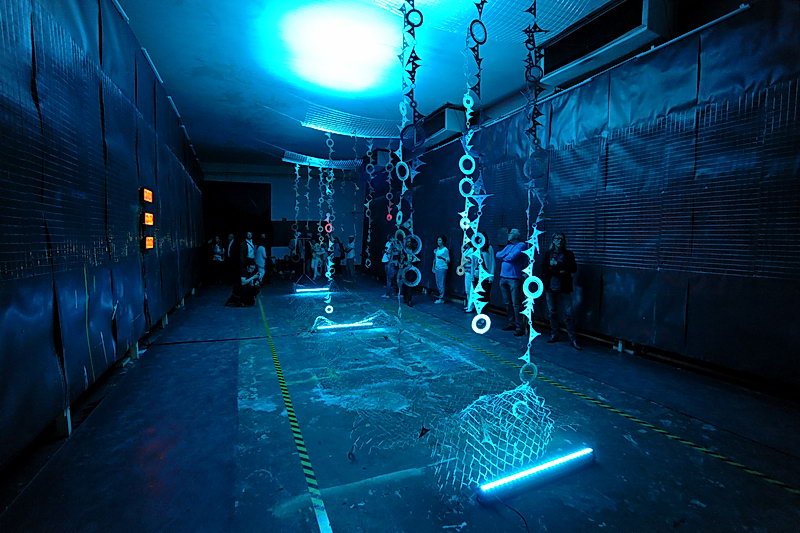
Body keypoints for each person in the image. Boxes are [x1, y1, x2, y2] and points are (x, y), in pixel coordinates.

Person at [542, 232, 581, 350]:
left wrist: (557, 265)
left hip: (564, 287)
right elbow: (544, 270)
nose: (559, 241)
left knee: (568, 313)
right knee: (552, 312)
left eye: (561, 239)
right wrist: (560, 271)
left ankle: (572, 338)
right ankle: (554, 334)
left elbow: (573, 268)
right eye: (557, 238)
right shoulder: (548, 254)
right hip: (550, 287)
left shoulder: (568, 254)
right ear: (553, 240)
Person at [495, 228, 527, 336]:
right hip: (503, 277)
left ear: (516, 235)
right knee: (507, 303)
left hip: (514, 278)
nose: (508, 234)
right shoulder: (508, 246)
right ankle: (511, 323)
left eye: (511, 233)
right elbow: (498, 255)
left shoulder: (521, 245)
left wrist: (506, 255)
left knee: (516, 304)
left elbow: (512, 257)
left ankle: (519, 326)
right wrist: (507, 254)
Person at [464, 237, 495, 312]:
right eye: (478, 239)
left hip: (485, 276)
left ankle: (484, 313)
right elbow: (473, 264)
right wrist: (472, 276)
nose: (480, 240)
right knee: (477, 295)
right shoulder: (475, 249)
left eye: (481, 238)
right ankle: (478, 312)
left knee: (485, 296)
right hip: (476, 274)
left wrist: (491, 276)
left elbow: (492, 262)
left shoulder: (489, 248)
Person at [432, 235, 450, 304]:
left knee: (441, 283)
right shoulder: (437, 249)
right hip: (437, 268)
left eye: (440, 240)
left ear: (443, 241)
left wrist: (442, 258)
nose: (438, 242)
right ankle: (440, 296)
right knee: (438, 283)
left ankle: (441, 298)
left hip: (442, 268)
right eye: (437, 240)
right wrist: (433, 267)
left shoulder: (445, 250)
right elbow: (435, 259)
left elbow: (448, 260)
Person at [382, 234, 400, 298]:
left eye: (392, 238)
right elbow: (386, 251)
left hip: (391, 263)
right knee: (392, 278)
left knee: (390, 279)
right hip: (389, 262)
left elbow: (391, 253)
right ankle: (395, 292)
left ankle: (388, 294)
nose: (391, 239)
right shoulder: (389, 243)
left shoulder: (395, 245)